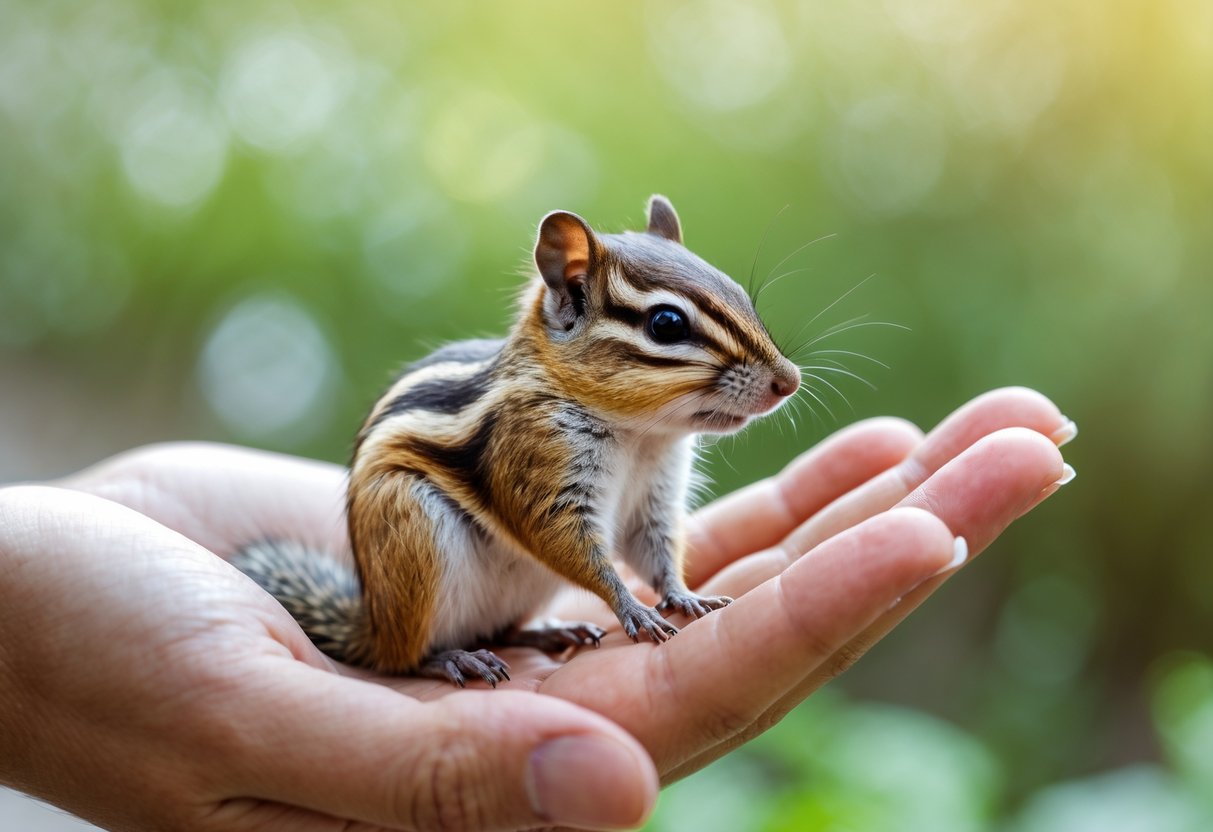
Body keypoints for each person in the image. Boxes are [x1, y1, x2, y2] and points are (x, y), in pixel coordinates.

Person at [0, 387, 1074, 832]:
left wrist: (663, 584)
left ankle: (486, 636)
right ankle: (418, 639)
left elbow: (646, 536)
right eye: (670, 332)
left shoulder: (656, 433)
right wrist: (613, 594)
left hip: (506, 594)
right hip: (432, 531)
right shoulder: (541, 418)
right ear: (570, 304)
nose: (763, 380)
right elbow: (560, 525)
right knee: (482, 529)